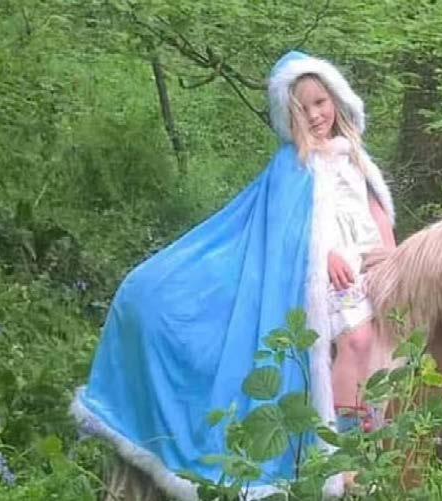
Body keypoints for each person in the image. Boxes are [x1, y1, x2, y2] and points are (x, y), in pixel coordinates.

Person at [71, 50, 395, 500]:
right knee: (354, 339)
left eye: (320, 103)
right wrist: (326, 257)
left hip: (366, 269)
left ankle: (359, 436)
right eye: (303, 109)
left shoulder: (356, 159)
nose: (315, 115)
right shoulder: (295, 164)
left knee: (369, 343)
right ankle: (338, 451)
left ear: (337, 100)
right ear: (290, 117)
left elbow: (379, 219)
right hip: (320, 277)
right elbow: (287, 232)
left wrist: (389, 261)